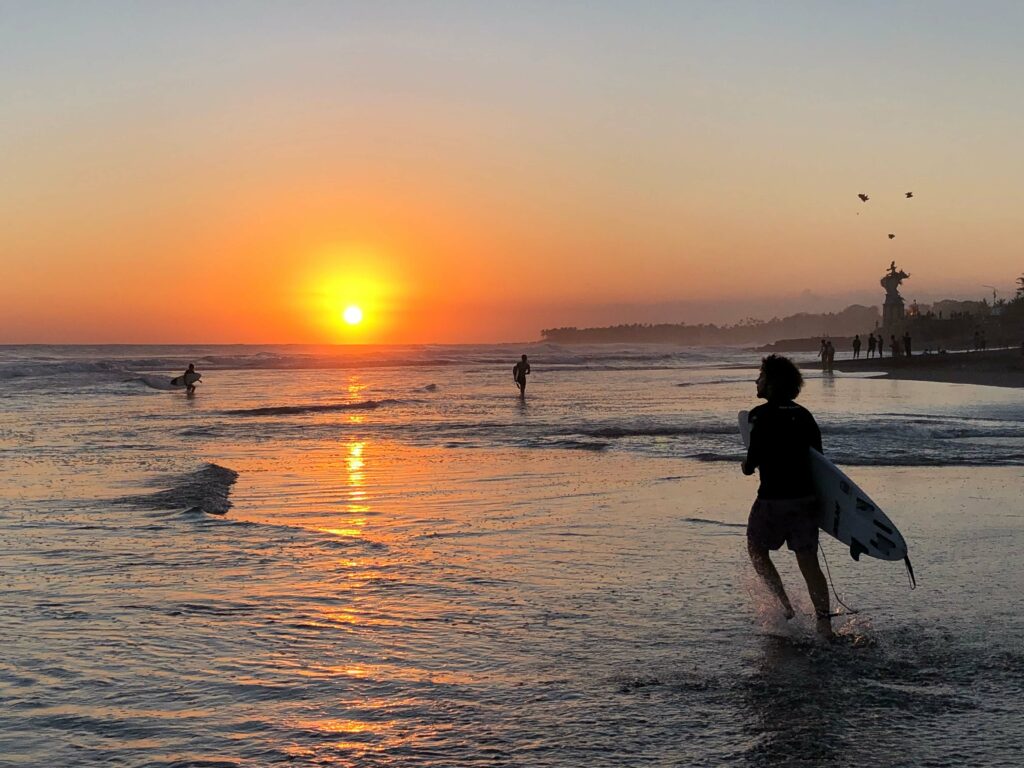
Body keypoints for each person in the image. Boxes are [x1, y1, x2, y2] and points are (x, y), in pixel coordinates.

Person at [742, 355, 832, 639]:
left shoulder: (760, 416)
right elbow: (820, 459)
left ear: (771, 383)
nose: (757, 381)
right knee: (809, 563)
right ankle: (824, 625)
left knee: (757, 550)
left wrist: (745, 466)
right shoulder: (804, 415)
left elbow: (751, 463)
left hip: (772, 501)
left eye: (761, 376)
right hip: (804, 501)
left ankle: (785, 605)